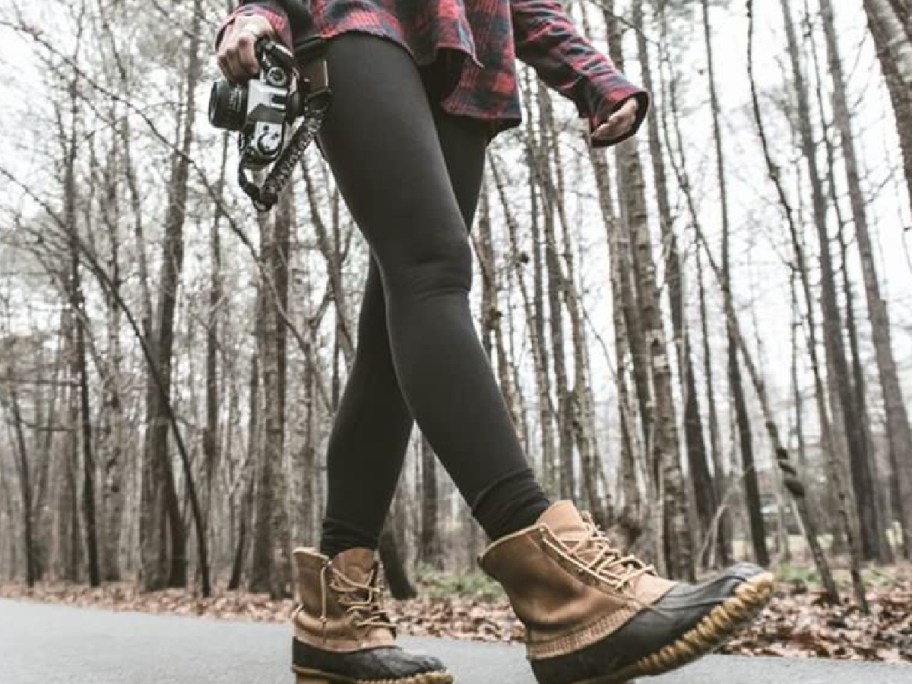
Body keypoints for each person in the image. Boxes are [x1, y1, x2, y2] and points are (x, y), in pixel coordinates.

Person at [215, 2, 775, 683]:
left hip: (467, 53)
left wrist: (591, 76)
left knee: (398, 306)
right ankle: (564, 589)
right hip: (352, 18)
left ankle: (337, 613)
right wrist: (256, 13)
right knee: (432, 271)